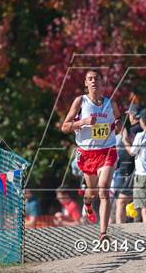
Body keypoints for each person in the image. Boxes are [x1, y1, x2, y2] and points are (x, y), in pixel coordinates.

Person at [61, 69, 121, 241]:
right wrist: (83, 122)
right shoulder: (80, 101)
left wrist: (117, 125)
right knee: (92, 192)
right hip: (87, 153)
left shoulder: (110, 103)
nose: (93, 81)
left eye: (96, 79)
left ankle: (103, 233)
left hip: (107, 150)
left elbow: (118, 120)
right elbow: (64, 127)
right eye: (90, 79)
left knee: (104, 189)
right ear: (86, 83)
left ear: (102, 83)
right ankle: (87, 203)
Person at [116, 104, 143, 223]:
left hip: (129, 170)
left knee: (121, 201)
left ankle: (120, 230)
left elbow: (130, 151)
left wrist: (124, 139)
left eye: (130, 114)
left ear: (133, 116)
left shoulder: (133, 131)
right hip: (134, 170)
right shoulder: (143, 130)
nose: (129, 117)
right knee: (138, 202)